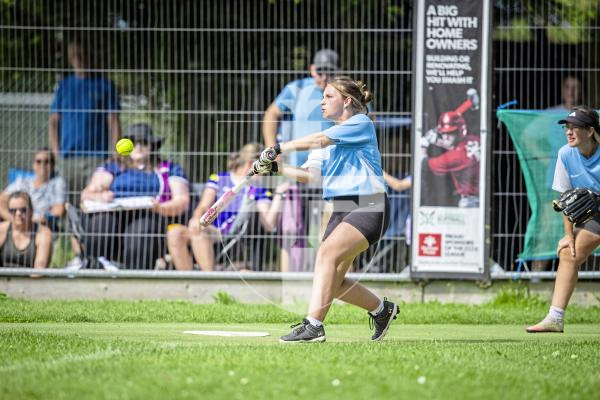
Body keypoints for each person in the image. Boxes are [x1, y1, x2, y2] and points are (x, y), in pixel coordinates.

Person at [257, 76, 398, 343]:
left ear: (347, 101)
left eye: (328, 97)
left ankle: (313, 326)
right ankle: (382, 310)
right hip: (342, 206)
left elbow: (321, 139)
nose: (321, 102)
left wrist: (278, 147)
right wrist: (276, 168)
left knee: (326, 255)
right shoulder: (328, 136)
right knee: (331, 280)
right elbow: (311, 176)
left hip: (370, 203)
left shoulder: (360, 123)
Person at [527, 107, 600, 333]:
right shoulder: (565, 154)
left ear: (590, 131)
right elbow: (565, 198)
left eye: (575, 127)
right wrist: (569, 236)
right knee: (568, 253)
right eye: (567, 127)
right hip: (596, 213)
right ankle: (555, 318)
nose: (569, 132)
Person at [76, 123, 189, 269]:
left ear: (152, 146)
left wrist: (159, 207)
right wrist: (101, 197)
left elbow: (181, 200)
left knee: (140, 233)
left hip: (151, 215)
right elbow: (87, 194)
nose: (138, 146)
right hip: (114, 213)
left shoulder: (168, 168)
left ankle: (135, 279)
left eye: (144, 142)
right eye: (133, 142)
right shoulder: (114, 166)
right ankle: (95, 268)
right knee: (101, 224)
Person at [167, 143, 286, 271]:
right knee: (175, 233)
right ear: (251, 163)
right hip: (207, 225)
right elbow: (204, 205)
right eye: (266, 167)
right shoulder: (218, 178)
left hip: (225, 234)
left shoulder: (257, 189)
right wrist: (196, 218)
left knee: (200, 232)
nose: (267, 173)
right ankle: (188, 282)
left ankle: (209, 282)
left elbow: (269, 224)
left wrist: (279, 194)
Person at [49, 40, 121, 201]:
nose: (78, 58)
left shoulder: (104, 85)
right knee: (68, 204)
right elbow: (54, 121)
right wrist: (56, 152)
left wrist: (116, 151)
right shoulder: (64, 86)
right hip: (68, 156)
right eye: (74, 55)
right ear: (70, 59)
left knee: (94, 202)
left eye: (81, 54)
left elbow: (113, 120)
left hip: (96, 156)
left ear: (89, 56)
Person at [263, 48, 339, 167]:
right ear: (312, 69)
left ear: (338, 71)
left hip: (334, 167)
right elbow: (271, 113)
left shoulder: (345, 92)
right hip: (298, 168)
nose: (324, 77)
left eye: (330, 72)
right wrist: (272, 148)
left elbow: (366, 120)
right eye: (320, 71)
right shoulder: (297, 88)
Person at [420, 111, 480, 207]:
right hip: (482, 197)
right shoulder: (474, 139)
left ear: (460, 131)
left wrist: (423, 146)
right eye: (443, 133)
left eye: (451, 132)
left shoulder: (456, 157)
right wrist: (437, 141)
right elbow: (457, 147)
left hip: (471, 201)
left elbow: (424, 164)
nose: (445, 136)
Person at [0, 148, 66, 231]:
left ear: (53, 165)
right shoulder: (23, 181)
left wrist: (31, 221)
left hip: (38, 226)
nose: (42, 165)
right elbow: (1, 199)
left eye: (47, 161)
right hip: (16, 219)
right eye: (39, 161)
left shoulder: (57, 183)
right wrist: (15, 220)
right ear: (33, 165)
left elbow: (58, 210)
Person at [0, 191, 52, 269]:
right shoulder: (2, 229)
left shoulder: (43, 233)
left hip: (29, 280)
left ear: (31, 211)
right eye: (13, 211)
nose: (18, 214)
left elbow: (39, 269)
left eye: (23, 210)